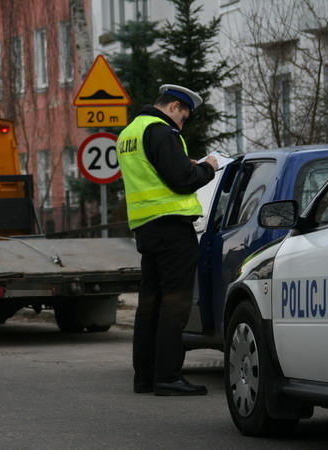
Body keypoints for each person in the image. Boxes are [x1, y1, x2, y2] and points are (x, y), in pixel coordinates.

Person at [116, 84, 220, 396]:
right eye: (184, 118)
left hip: (147, 228)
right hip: (173, 229)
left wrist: (183, 165)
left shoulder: (129, 133)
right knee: (175, 305)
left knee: (150, 304)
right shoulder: (162, 131)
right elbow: (184, 181)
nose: (182, 124)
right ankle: (168, 377)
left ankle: (145, 377)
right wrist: (208, 167)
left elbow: (154, 173)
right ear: (174, 107)